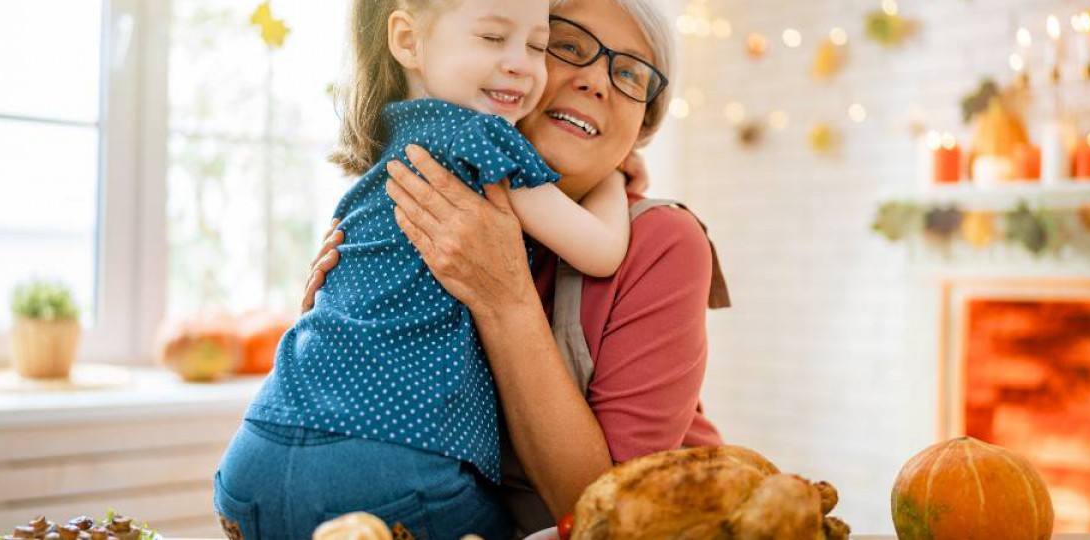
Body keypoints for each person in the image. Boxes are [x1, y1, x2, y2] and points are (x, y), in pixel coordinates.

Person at [213, 0, 639, 538]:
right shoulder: (482, 140)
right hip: (390, 467)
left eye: (536, 45)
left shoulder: (389, 141)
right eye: (492, 38)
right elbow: (601, 250)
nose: (522, 65)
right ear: (408, 41)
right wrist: (612, 180)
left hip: (257, 453)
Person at [302, 0, 730, 535]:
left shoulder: (664, 241)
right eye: (568, 47)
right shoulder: (423, 198)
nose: (598, 82)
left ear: (643, 126)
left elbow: (612, 517)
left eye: (629, 75)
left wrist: (503, 296)